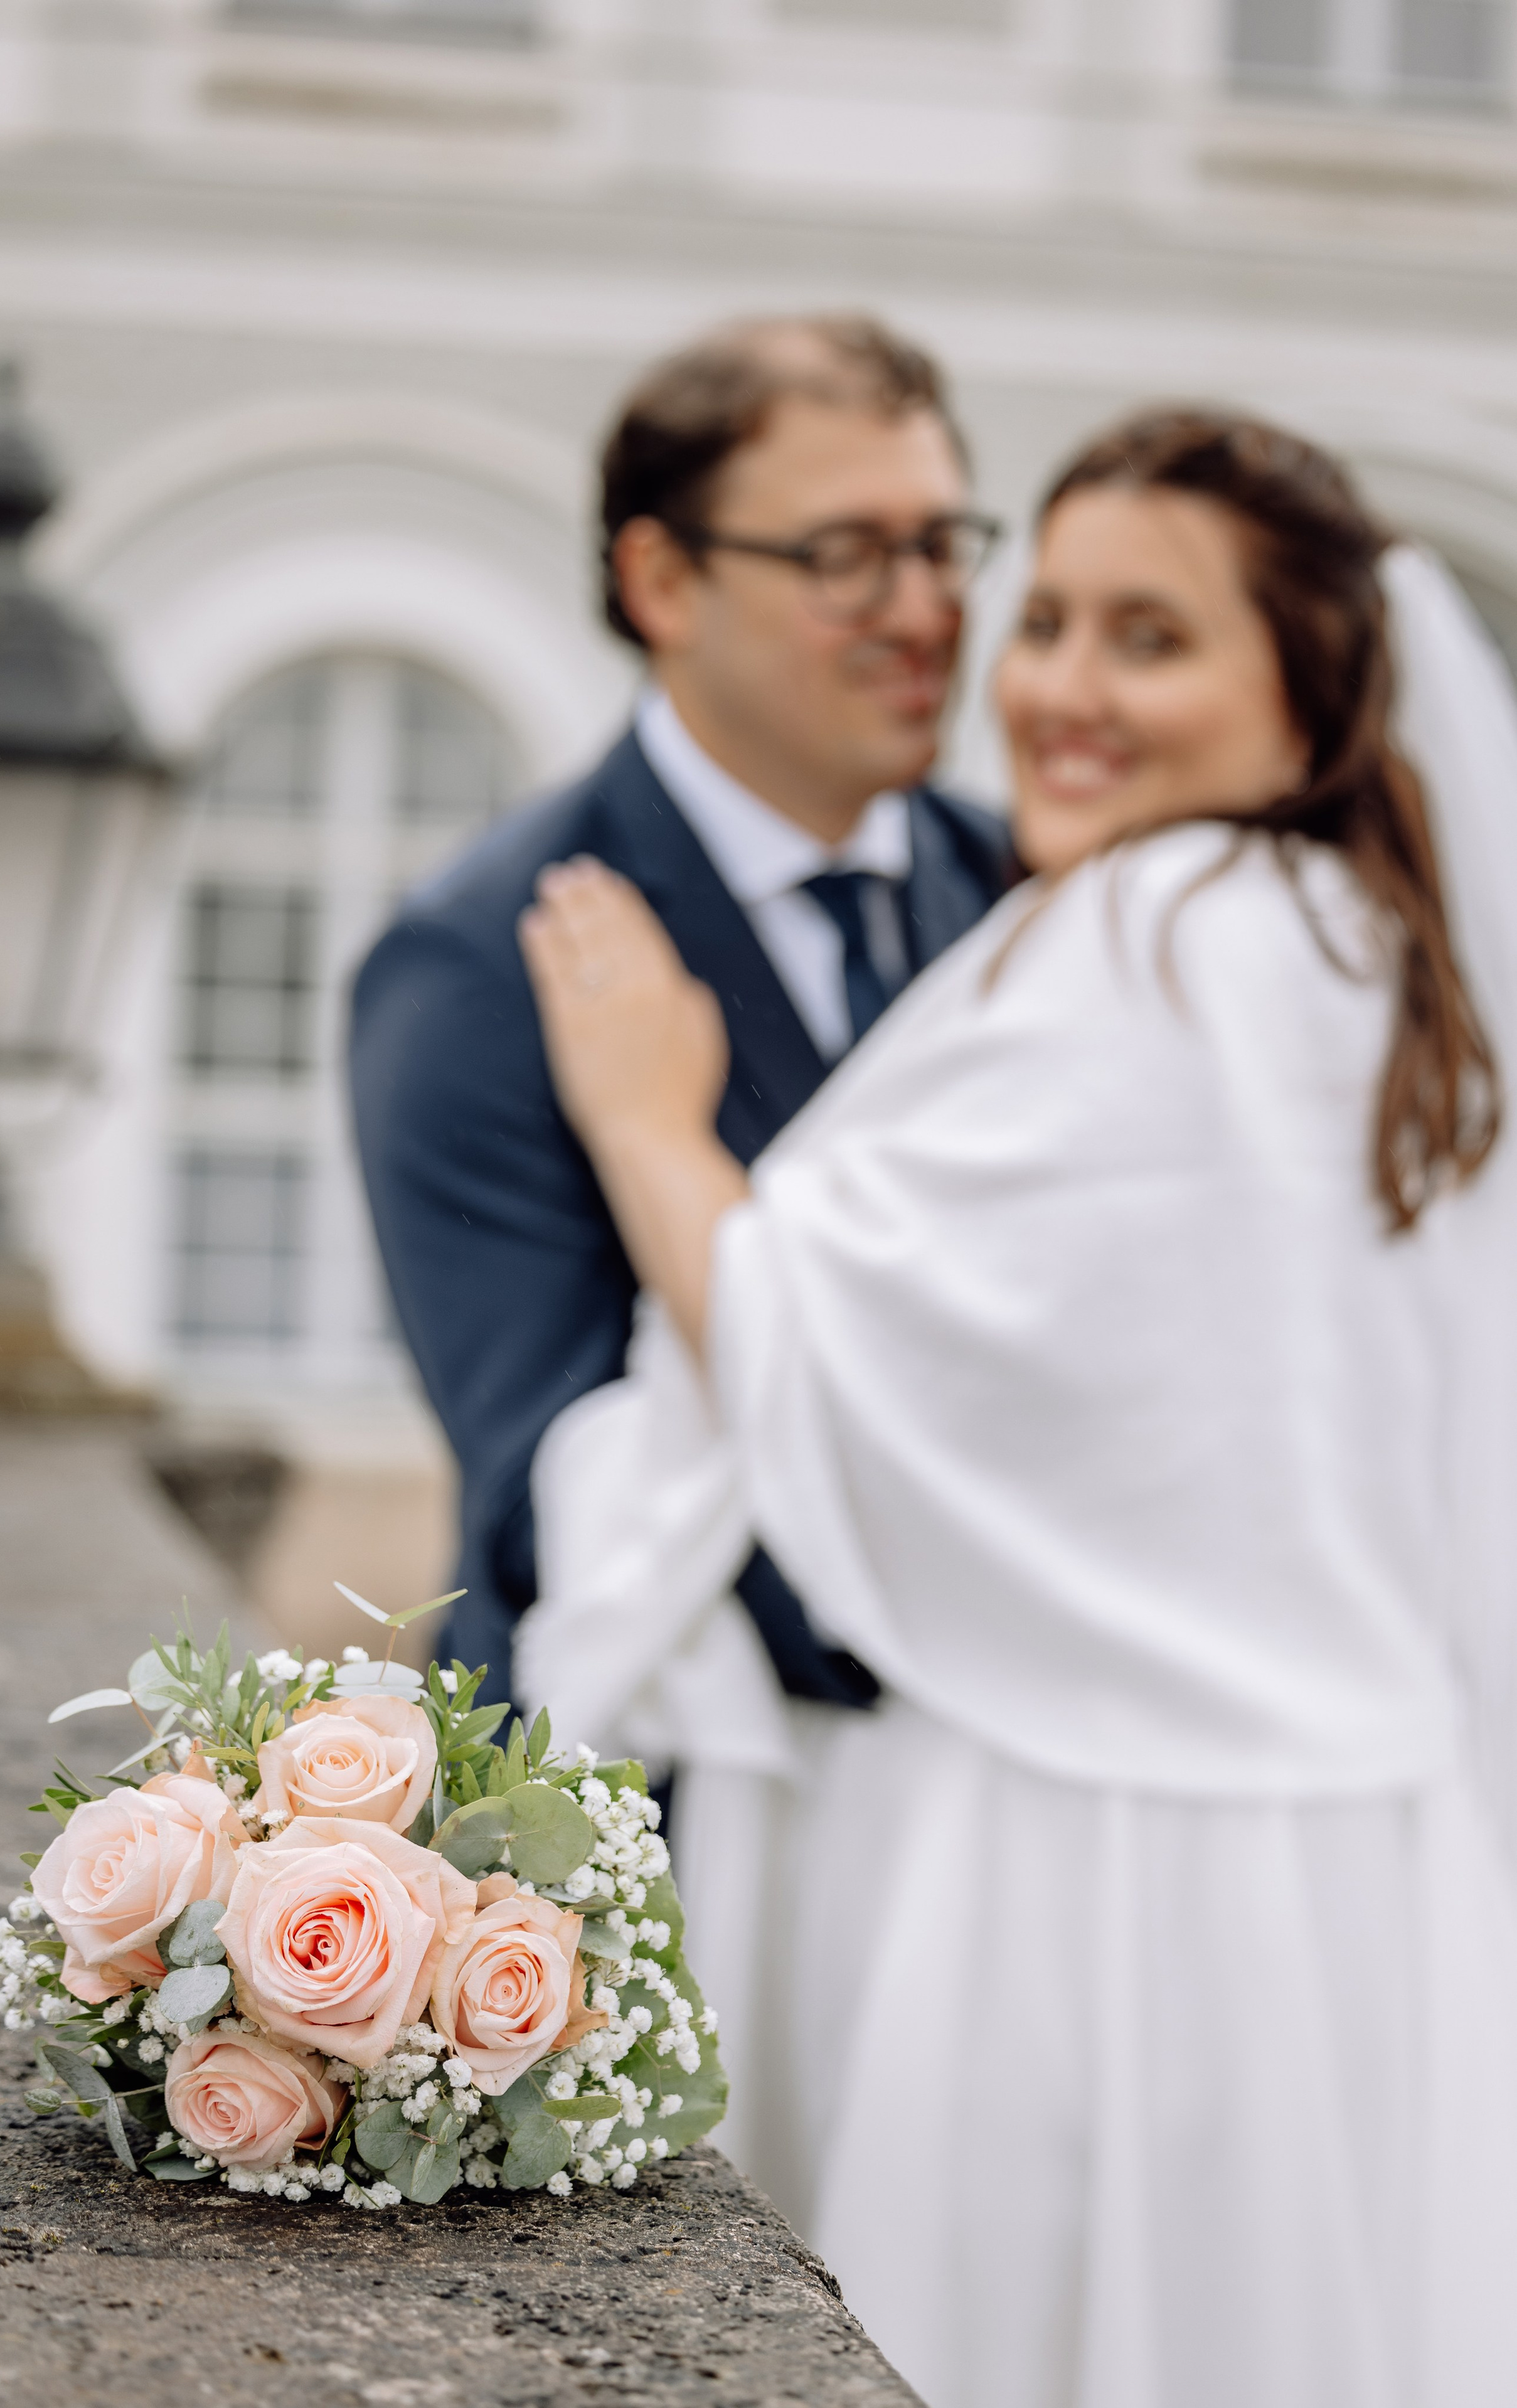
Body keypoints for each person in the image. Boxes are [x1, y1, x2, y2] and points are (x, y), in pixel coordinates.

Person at [514, 408, 1517, 2408]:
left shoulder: (1153, 935)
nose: (1056, 686)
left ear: (1308, 685)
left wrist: (646, 1117)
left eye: (1150, 639)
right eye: (1046, 617)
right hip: (1357, 1873)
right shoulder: (1367, 948)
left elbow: (823, 1343)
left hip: (1105, 1874)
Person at [349, 315, 1015, 1725]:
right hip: (664, 1813)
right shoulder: (477, 961)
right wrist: (1009, 1607)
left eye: (942, 543)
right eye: (844, 555)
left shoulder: (1026, 893)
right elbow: (551, 1481)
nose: (921, 610)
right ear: (661, 577)